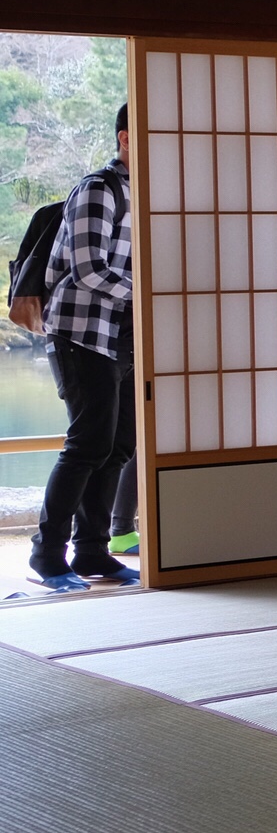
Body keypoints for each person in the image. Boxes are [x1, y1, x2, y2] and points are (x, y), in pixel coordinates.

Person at [28, 106, 137, 592]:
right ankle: (48, 555)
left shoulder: (148, 191)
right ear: (125, 138)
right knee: (88, 443)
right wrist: (152, 296)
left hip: (126, 335)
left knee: (118, 446)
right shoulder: (99, 189)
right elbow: (90, 270)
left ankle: (92, 551)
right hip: (81, 333)